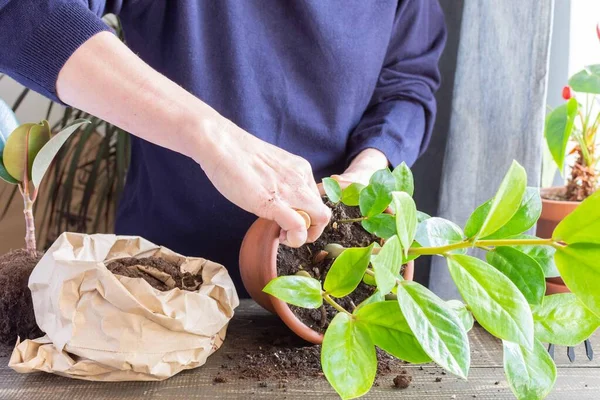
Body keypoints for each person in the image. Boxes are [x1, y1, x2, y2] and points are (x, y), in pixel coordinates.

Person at [0, 1, 446, 296]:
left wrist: (365, 176)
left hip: (327, 290)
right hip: (163, 281)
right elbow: (26, 11)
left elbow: (408, 78)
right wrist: (212, 136)